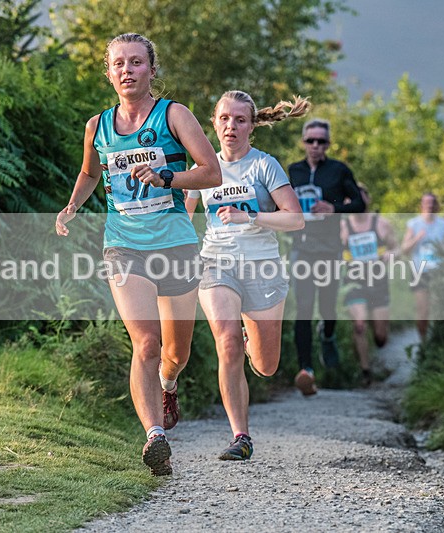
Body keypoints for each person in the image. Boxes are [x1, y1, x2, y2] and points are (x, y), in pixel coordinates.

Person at [55, 33, 221, 476]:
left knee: (175, 353)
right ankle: (155, 436)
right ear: (109, 73)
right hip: (124, 245)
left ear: (151, 69)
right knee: (146, 342)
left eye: (136, 62)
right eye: (119, 64)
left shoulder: (174, 115)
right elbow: (90, 173)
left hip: (175, 244)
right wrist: (72, 205)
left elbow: (211, 173)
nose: (127, 70)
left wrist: (168, 178)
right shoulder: (97, 126)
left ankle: (169, 384)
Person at [185, 90, 306, 460]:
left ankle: (250, 341)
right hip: (216, 263)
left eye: (240, 120)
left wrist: (250, 216)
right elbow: (182, 219)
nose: (231, 126)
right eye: (224, 118)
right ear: (213, 123)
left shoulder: (264, 166)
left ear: (252, 126)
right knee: (226, 343)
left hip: (262, 267)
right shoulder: (203, 169)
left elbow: (295, 219)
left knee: (266, 366)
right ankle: (241, 436)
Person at [288, 119, 365, 395]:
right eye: (311, 140)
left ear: (328, 144)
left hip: (330, 249)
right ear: (304, 142)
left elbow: (360, 204)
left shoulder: (338, 170)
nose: (315, 146)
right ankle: (306, 370)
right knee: (304, 307)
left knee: (328, 307)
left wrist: (334, 208)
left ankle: (328, 334)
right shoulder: (294, 171)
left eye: (321, 141)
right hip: (302, 248)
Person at [340, 183, 397, 387]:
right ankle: (365, 371)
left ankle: (376, 340)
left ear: (367, 198)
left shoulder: (381, 224)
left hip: (378, 280)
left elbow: (396, 248)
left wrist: (390, 255)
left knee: (381, 336)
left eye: (360, 195)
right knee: (359, 325)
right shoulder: (342, 227)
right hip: (354, 282)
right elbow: (333, 253)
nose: (355, 200)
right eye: (351, 197)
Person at [400, 192, 444, 341]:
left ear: (436, 205)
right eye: (426, 203)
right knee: (423, 309)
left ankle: (439, 341)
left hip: (439, 270)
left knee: (439, 308)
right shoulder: (413, 224)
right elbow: (404, 249)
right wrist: (417, 238)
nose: (429, 205)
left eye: (432, 202)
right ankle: (423, 342)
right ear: (421, 205)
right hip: (419, 271)